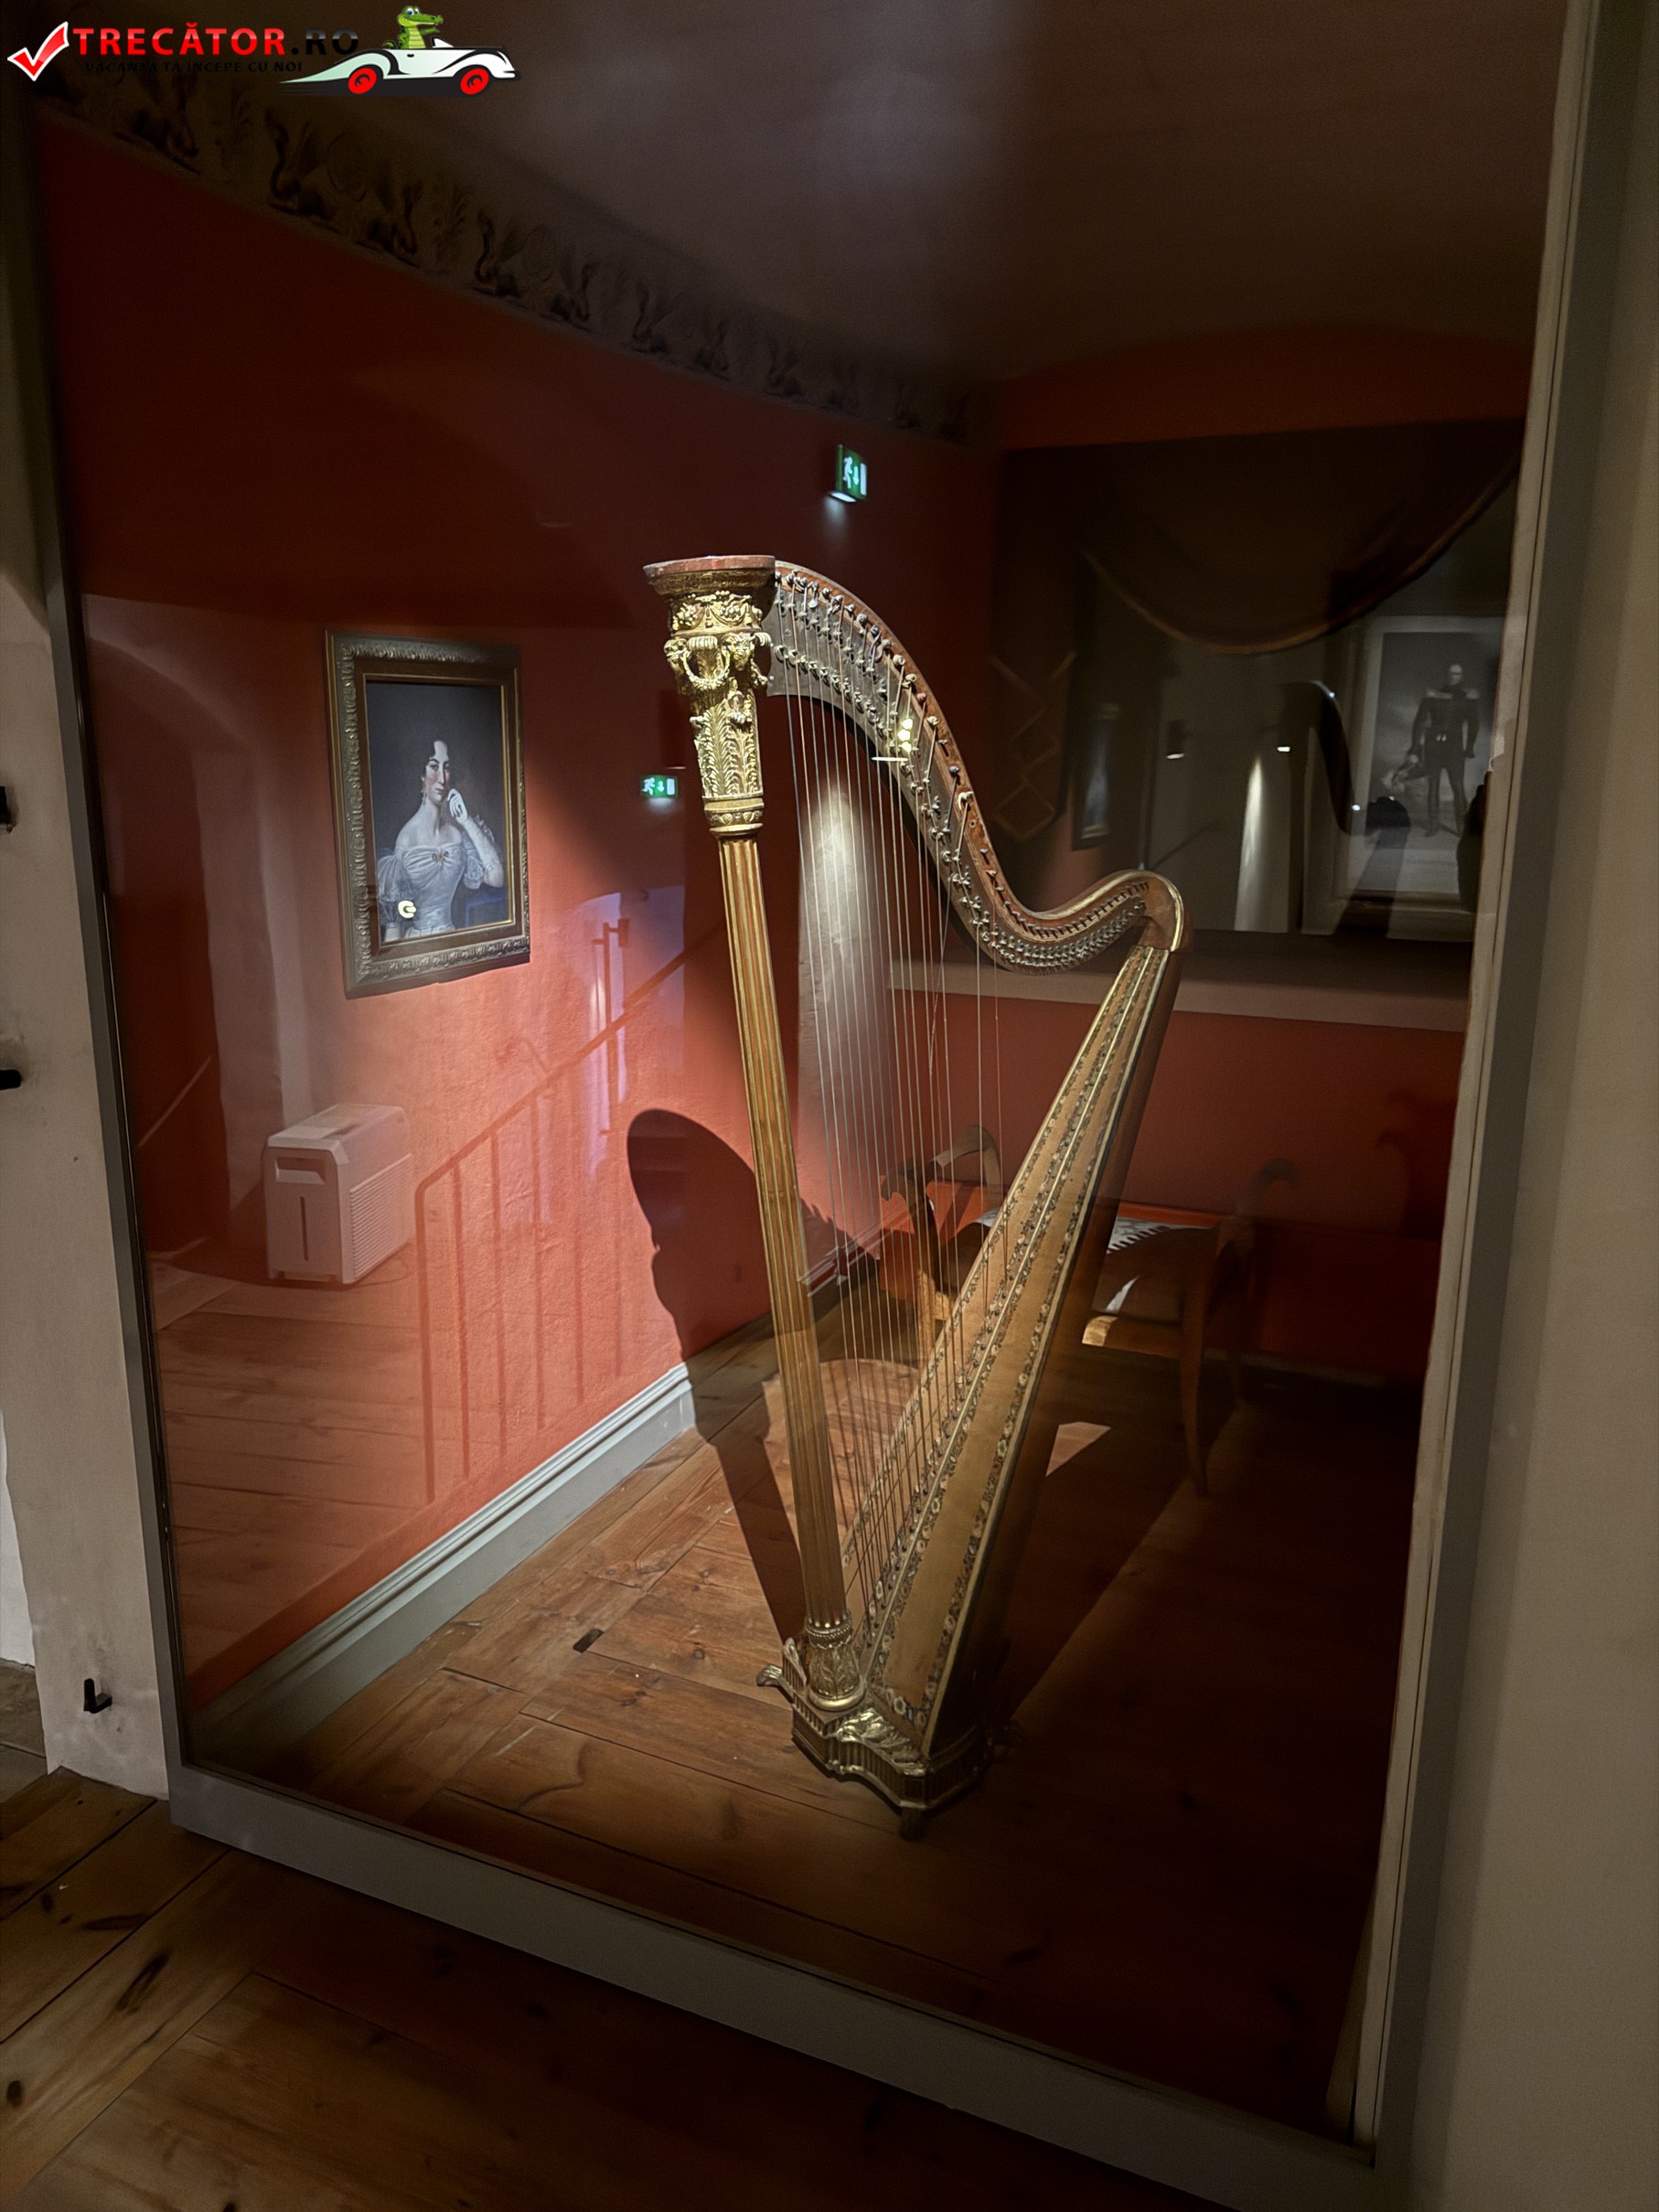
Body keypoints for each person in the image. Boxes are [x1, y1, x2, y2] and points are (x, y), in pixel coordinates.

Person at [377, 735, 504, 940]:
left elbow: (497, 878)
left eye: (447, 768)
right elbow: (395, 925)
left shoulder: (458, 832)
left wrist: (466, 821)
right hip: (417, 945)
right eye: (434, 767)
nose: (442, 779)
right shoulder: (407, 838)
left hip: (451, 940)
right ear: (422, 775)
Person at [1406, 662, 1482, 834]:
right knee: (1433, 786)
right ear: (1446, 675)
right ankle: (1433, 826)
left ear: (1462, 677)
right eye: (1451, 673)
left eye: (1457, 674)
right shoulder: (1432, 696)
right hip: (1433, 746)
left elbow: (1474, 724)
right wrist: (1415, 749)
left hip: (1454, 748)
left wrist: (1470, 747)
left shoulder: (1468, 698)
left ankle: (1462, 827)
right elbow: (1419, 722)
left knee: (1458, 787)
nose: (1453, 677)